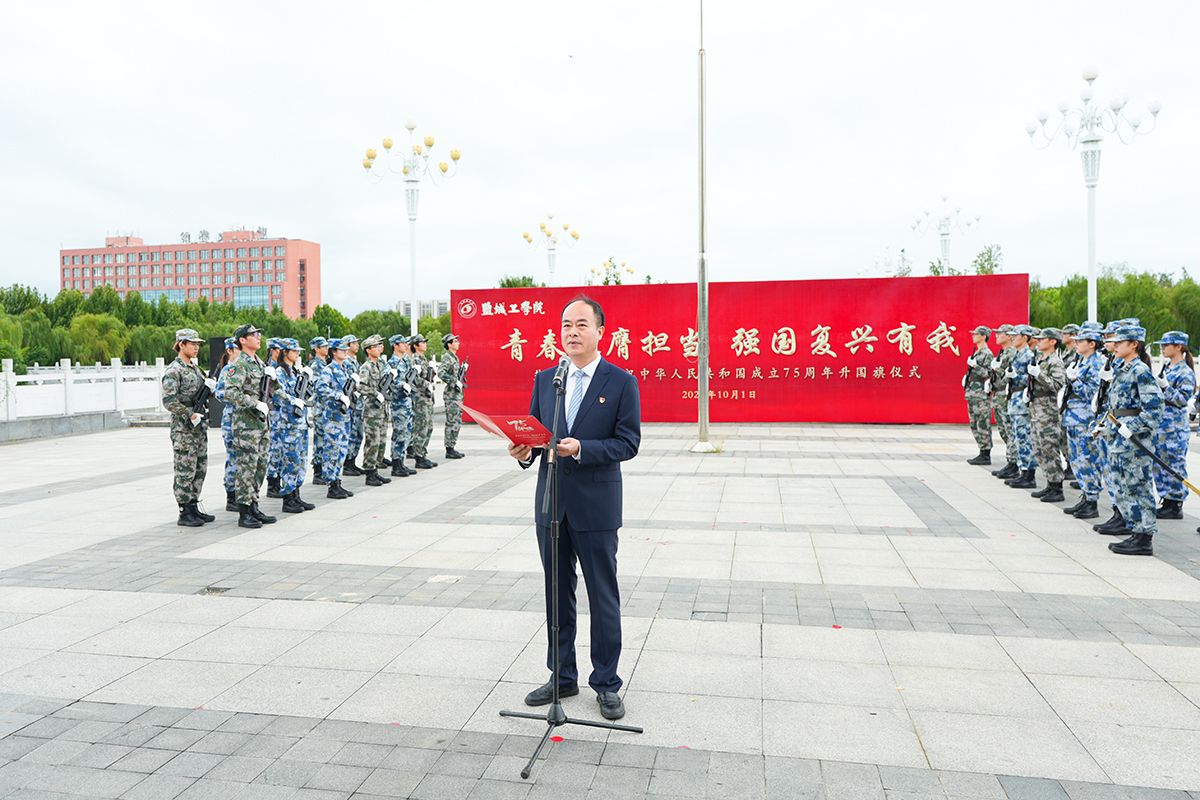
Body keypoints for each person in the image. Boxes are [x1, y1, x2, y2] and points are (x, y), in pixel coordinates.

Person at [507, 295, 641, 721]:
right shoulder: (547, 379)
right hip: (552, 505)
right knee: (556, 593)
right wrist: (523, 451)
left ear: (601, 331)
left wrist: (582, 448)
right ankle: (562, 675)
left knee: (602, 595)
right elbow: (536, 435)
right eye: (566, 324)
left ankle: (607, 683)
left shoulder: (621, 382)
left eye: (582, 324)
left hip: (596, 507)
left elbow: (628, 443)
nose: (572, 332)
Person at [1101, 324, 1164, 555]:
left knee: (1138, 486)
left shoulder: (1140, 371)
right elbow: (1116, 406)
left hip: (1134, 441)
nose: (1115, 346)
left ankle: (1144, 537)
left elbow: (1155, 409)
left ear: (1134, 344)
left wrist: (1132, 427)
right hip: (1119, 437)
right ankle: (1135, 531)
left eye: (1120, 342)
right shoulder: (1123, 369)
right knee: (1123, 486)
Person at [223, 324, 280, 529]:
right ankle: (244, 511)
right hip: (246, 425)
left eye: (259, 334)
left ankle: (254, 505)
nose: (258, 337)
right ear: (242, 340)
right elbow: (230, 392)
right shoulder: (239, 364)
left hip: (261, 423)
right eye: (253, 334)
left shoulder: (259, 363)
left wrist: (274, 379)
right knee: (246, 467)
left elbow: (272, 390)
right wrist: (254, 403)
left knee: (260, 466)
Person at [161, 328, 214, 527]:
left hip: (199, 426)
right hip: (184, 429)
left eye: (198, 344)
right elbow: (169, 401)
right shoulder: (174, 370)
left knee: (199, 467)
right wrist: (189, 414)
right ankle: (184, 511)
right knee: (185, 469)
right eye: (192, 344)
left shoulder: (195, 368)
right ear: (181, 344)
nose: (196, 347)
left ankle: (193, 505)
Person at [1061, 324, 1104, 519]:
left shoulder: (1096, 364)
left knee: (1087, 460)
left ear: (1092, 344)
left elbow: (1092, 394)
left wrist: (1075, 380)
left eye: (1080, 341)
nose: (1076, 343)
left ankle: (1092, 501)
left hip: (1085, 420)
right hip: (1073, 418)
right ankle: (1086, 497)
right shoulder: (1081, 361)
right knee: (1077, 460)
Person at [1151, 331, 1196, 519]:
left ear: (1179, 347)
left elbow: (1182, 400)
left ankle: (1175, 503)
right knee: (1160, 464)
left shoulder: (1185, 371)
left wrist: (1166, 388)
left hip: (1174, 428)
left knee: (1174, 464)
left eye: (1166, 345)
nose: (1162, 348)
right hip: (1161, 426)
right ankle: (1166, 499)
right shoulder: (1167, 368)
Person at [274, 339, 317, 513]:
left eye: (298, 351)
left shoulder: (295, 371)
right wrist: (293, 400)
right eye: (294, 351)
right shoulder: (280, 372)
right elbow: (277, 394)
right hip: (288, 424)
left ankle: (296, 495)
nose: (297, 354)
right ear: (285, 352)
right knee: (290, 461)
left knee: (300, 461)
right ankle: (288, 498)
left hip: (301, 423)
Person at [1027, 328, 1066, 502]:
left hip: (1047, 411)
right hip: (1036, 409)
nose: (1038, 341)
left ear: (1052, 341)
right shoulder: (1040, 358)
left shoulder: (1055, 361)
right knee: (1039, 448)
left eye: (1042, 339)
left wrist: (1039, 375)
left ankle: (1057, 487)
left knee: (1049, 448)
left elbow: (1057, 385)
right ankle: (1050, 483)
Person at [316, 338, 356, 499]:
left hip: (344, 417)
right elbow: (320, 388)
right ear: (333, 352)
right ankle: (331, 485)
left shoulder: (344, 368)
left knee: (341, 450)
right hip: (333, 417)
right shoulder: (329, 370)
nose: (345, 352)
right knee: (332, 450)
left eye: (346, 349)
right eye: (342, 350)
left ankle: (337, 481)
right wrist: (337, 395)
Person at [1004, 325, 1038, 488]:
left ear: (1025, 337)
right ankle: (1022, 470)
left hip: (1022, 402)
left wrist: (1016, 376)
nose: (1012, 338)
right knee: (1018, 438)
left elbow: (1032, 379)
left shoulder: (1029, 355)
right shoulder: (1017, 354)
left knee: (1025, 438)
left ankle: (1029, 475)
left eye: (1015, 335)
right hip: (1014, 400)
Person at [358, 334, 393, 486]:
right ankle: (369, 473)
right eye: (375, 346)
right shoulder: (366, 367)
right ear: (368, 350)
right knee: (372, 442)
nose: (379, 348)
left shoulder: (380, 365)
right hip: (372, 411)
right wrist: (375, 393)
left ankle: (376, 470)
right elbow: (361, 386)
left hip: (382, 410)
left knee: (381, 442)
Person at [214, 336, 241, 512]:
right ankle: (231, 496)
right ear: (230, 350)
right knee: (234, 458)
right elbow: (220, 393)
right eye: (237, 348)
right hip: (231, 419)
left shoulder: (242, 368)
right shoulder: (228, 370)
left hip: (243, 419)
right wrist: (238, 397)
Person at [386, 334, 417, 477]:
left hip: (407, 402)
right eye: (402, 343)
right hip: (398, 403)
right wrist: (401, 384)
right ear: (395, 346)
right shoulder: (391, 363)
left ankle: (402, 462)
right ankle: (396, 464)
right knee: (399, 433)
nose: (405, 345)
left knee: (406, 433)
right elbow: (389, 382)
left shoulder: (405, 360)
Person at [963, 325, 994, 465]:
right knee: (974, 423)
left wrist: (976, 366)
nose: (973, 336)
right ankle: (981, 450)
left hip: (981, 395)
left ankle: (985, 454)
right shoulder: (977, 352)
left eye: (976, 334)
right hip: (972, 393)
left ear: (983, 336)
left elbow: (989, 374)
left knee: (982, 423)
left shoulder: (987, 354)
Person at [990, 325, 1018, 479]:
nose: (996, 336)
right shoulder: (1003, 352)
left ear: (1009, 336)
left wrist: (998, 371)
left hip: (1006, 395)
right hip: (999, 395)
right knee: (1004, 430)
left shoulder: (1012, 352)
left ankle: (1014, 463)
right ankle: (1011, 461)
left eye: (1000, 333)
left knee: (1010, 430)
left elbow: (1009, 377)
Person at [409, 334, 438, 469]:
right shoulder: (414, 360)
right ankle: (419, 457)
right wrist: (427, 384)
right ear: (415, 345)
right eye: (422, 342)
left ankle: (423, 453)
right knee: (421, 427)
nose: (425, 344)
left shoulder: (424, 359)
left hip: (427, 397)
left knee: (429, 427)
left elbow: (428, 376)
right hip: (420, 398)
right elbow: (414, 378)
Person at [440, 333, 467, 459]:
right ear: (449, 344)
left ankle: (452, 446)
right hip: (451, 395)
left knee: (457, 421)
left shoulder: (454, 358)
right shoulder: (447, 357)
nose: (458, 343)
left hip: (457, 395)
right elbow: (441, 373)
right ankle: (449, 449)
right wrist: (454, 381)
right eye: (455, 341)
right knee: (452, 421)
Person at [342, 334, 366, 477]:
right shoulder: (346, 362)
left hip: (359, 403)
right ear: (347, 345)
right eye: (354, 343)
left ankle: (352, 461)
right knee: (351, 434)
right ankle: (347, 463)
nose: (357, 345)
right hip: (351, 404)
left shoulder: (355, 361)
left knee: (358, 434)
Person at [308, 337, 331, 485]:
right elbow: (318, 386)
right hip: (320, 408)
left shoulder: (325, 364)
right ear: (316, 349)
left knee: (325, 440)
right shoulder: (316, 365)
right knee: (320, 441)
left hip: (327, 408)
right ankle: (318, 472)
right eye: (323, 346)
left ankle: (324, 470)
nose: (326, 348)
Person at [265, 338, 286, 499]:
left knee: (280, 449)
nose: (280, 352)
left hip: (281, 414)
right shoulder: (268, 367)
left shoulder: (279, 367)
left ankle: (277, 480)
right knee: (274, 449)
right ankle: (272, 484)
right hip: (272, 413)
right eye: (278, 349)